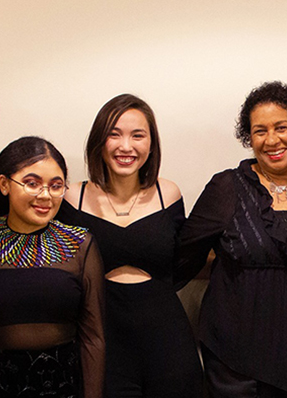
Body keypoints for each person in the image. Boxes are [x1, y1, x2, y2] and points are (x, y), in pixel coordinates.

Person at [175, 81, 287, 398]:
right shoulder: (227, 188)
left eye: (281, 127)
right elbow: (182, 258)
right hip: (242, 371)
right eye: (259, 131)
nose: (271, 140)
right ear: (249, 137)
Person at [61, 94, 203, 397]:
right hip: (101, 333)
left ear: (151, 144)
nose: (126, 146)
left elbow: (185, 258)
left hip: (166, 332)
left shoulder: (169, 193)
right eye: (115, 134)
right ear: (100, 142)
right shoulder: (73, 197)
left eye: (138, 135)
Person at [0, 136, 104, 398]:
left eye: (56, 186)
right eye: (32, 183)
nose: (45, 196)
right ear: (5, 184)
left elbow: (93, 337)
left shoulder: (80, 243)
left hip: (62, 384)